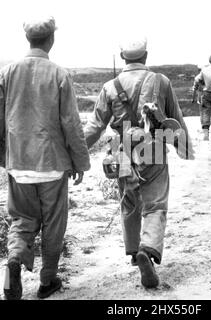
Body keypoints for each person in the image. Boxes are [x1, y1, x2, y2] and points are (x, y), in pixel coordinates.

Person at [84, 35, 194, 289]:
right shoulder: (161, 81)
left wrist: (74, 154)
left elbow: (95, 126)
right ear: (145, 56)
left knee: (129, 201)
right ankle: (149, 248)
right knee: (155, 204)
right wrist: (184, 147)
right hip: (154, 143)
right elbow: (175, 117)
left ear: (123, 57)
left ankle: (135, 252)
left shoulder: (110, 86)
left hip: (121, 147)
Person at [0, 16, 91, 300]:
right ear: (51, 39)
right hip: (52, 165)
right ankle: (47, 281)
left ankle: (14, 259)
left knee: (22, 219)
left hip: (18, 163)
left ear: (28, 39)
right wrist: (80, 162)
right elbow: (71, 124)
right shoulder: (59, 74)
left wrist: (5, 156)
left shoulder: (7, 72)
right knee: (54, 224)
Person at [193, 54, 211, 140]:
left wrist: (200, 86)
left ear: (209, 60)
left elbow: (197, 79)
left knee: (205, 112)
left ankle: (206, 134)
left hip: (206, 94)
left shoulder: (204, 70)